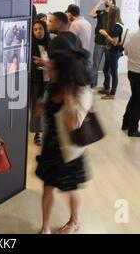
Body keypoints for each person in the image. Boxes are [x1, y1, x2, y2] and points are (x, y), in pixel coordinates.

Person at [36, 51, 91, 234]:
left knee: (71, 188)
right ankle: (45, 228)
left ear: (63, 72)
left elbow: (74, 124)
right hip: (50, 148)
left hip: (69, 150)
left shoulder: (81, 92)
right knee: (47, 187)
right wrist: (43, 108)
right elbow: (50, 111)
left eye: (51, 70)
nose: (48, 72)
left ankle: (74, 221)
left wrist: (68, 101)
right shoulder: (52, 87)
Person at [97, 6, 124, 100]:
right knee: (105, 69)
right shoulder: (112, 24)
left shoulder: (117, 26)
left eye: (109, 12)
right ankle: (107, 88)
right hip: (110, 50)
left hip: (115, 51)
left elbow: (114, 42)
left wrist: (105, 34)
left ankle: (112, 93)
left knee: (113, 72)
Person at [30, 20, 50, 146]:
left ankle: (48, 132)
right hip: (36, 80)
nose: (38, 31)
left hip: (49, 80)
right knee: (37, 106)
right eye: (35, 29)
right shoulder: (30, 45)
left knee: (48, 107)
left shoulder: (51, 44)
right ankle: (38, 133)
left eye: (40, 29)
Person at [89, 0, 115, 88]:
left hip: (109, 43)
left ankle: (106, 86)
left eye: (110, 0)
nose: (107, 1)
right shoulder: (100, 12)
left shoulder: (115, 15)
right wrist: (99, 2)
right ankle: (93, 84)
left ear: (113, 4)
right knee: (95, 64)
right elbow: (91, 14)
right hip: (99, 42)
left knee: (107, 68)